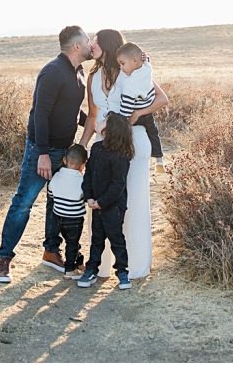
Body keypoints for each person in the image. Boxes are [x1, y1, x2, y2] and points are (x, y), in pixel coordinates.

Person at [0, 26, 91, 284]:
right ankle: (4, 258)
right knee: (24, 202)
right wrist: (44, 154)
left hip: (64, 149)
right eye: (88, 40)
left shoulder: (78, 72)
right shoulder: (52, 72)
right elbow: (39, 114)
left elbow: (71, 110)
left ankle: (51, 251)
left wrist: (92, 123)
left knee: (56, 202)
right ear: (77, 46)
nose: (91, 44)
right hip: (42, 150)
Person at [80, 29, 169, 282]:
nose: (92, 44)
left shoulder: (131, 70)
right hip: (103, 143)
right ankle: (102, 266)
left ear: (106, 45)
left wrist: (138, 115)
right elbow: (93, 115)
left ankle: (136, 266)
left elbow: (162, 99)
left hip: (134, 140)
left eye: (96, 41)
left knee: (135, 201)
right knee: (101, 200)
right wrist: (82, 146)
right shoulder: (94, 76)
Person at [77, 112, 134, 289]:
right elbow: (89, 174)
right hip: (95, 204)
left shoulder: (121, 156)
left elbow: (118, 185)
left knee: (116, 239)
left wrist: (102, 202)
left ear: (111, 130)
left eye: (105, 121)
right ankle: (91, 269)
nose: (100, 122)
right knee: (97, 239)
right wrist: (89, 197)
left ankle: (122, 272)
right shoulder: (96, 148)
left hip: (113, 207)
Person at [115, 42, 165, 172]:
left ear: (135, 60)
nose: (121, 68)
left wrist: (123, 120)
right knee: (153, 133)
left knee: (125, 135)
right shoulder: (147, 69)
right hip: (147, 113)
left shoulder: (130, 83)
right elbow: (147, 61)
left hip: (135, 115)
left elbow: (126, 107)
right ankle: (159, 159)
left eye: (122, 63)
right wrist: (145, 57)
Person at [46, 143, 89, 279]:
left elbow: (51, 193)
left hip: (58, 216)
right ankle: (69, 269)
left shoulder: (56, 176)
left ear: (64, 160)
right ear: (83, 165)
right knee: (72, 243)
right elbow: (85, 197)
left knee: (70, 242)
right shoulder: (82, 180)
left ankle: (78, 261)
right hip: (74, 218)